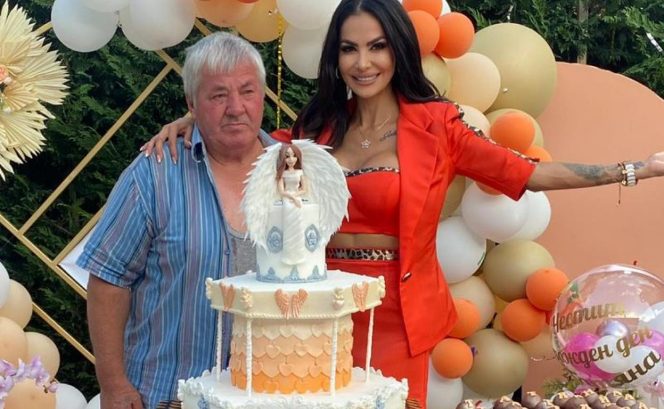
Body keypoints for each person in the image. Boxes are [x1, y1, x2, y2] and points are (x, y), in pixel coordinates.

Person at [143, 0, 664, 407]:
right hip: (318, 312)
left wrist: (633, 169)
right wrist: (196, 118)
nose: (363, 62)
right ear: (335, 57)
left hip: (396, 313)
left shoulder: (437, 125)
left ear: (397, 50)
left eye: (377, 46)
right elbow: (258, 149)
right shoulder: (320, 124)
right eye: (349, 49)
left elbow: (524, 172)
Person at [78, 32, 279, 409]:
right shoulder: (153, 174)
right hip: (167, 397)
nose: (236, 107)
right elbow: (108, 279)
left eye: (247, 91)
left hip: (270, 397)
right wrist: (114, 384)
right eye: (218, 95)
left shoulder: (294, 172)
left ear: (262, 96)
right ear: (192, 104)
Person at [276, 144, 309, 265]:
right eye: (287, 156)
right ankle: (288, 255)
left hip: (297, 198)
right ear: (283, 158)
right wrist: (292, 197)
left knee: (298, 225)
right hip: (287, 200)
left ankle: (299, 254)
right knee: (288, 224)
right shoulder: (282, 174)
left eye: (294, 156)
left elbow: (304, 189)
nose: (291, 159)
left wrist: (296, 196)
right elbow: (282, 191)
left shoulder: (300, 172)